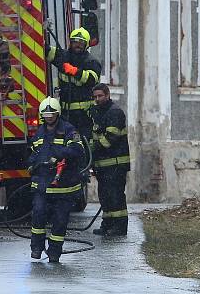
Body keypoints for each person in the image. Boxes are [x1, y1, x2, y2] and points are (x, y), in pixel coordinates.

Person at [28, 97, 85, 262]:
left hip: (64, 187)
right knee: (38, 215)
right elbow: (33, 152)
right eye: (46, 114)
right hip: (43, 186)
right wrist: (31, 164)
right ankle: (37, 248)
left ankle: (54, 252)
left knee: (60, 221)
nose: (49, 117)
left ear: (57, 113)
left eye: (52, 114)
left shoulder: (69, 130)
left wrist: (58, 155)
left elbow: (78, 149)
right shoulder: (39, 132)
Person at [89, 83, 131, 236]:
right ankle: (107, 225)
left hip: (116, 164)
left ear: (107, 95)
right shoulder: (98, 113)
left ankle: (119, 228)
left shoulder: (115, 113)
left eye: (100, 96)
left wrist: (91, 147)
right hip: (103, 166)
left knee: (116, 196)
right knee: (105, 196)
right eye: (95, 97)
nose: (97, 99)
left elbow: (110, 138)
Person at [46, 27, 101, 141]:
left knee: (82, 141)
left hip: (84, 115)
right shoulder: (63, 56)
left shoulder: (91, 62)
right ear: (70, 42)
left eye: (81, 42)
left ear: (86, 45)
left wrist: (74, 71)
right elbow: (45, 50)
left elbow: (92, 79)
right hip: (65, 113)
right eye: (75, 41)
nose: (78, 45)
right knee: (65, 141)